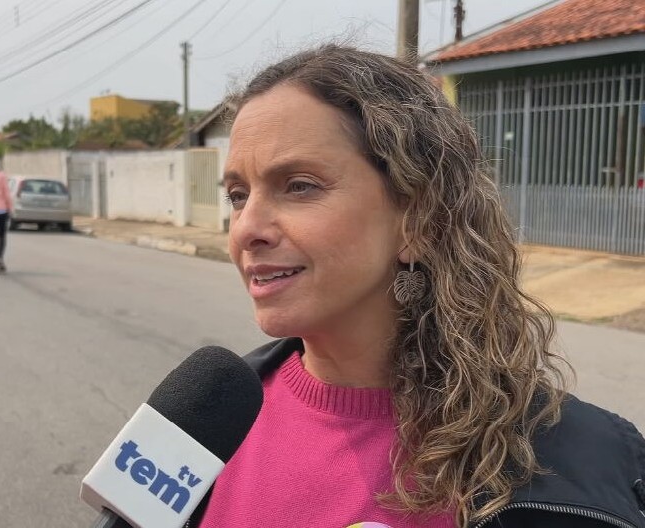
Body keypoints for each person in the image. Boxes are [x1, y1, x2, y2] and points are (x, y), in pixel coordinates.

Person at [192, 45, 645, 528]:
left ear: (418, 220)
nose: (246, 228)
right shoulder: (206, 419)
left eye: (299, 185)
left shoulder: (579, 470)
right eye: (238, 195)